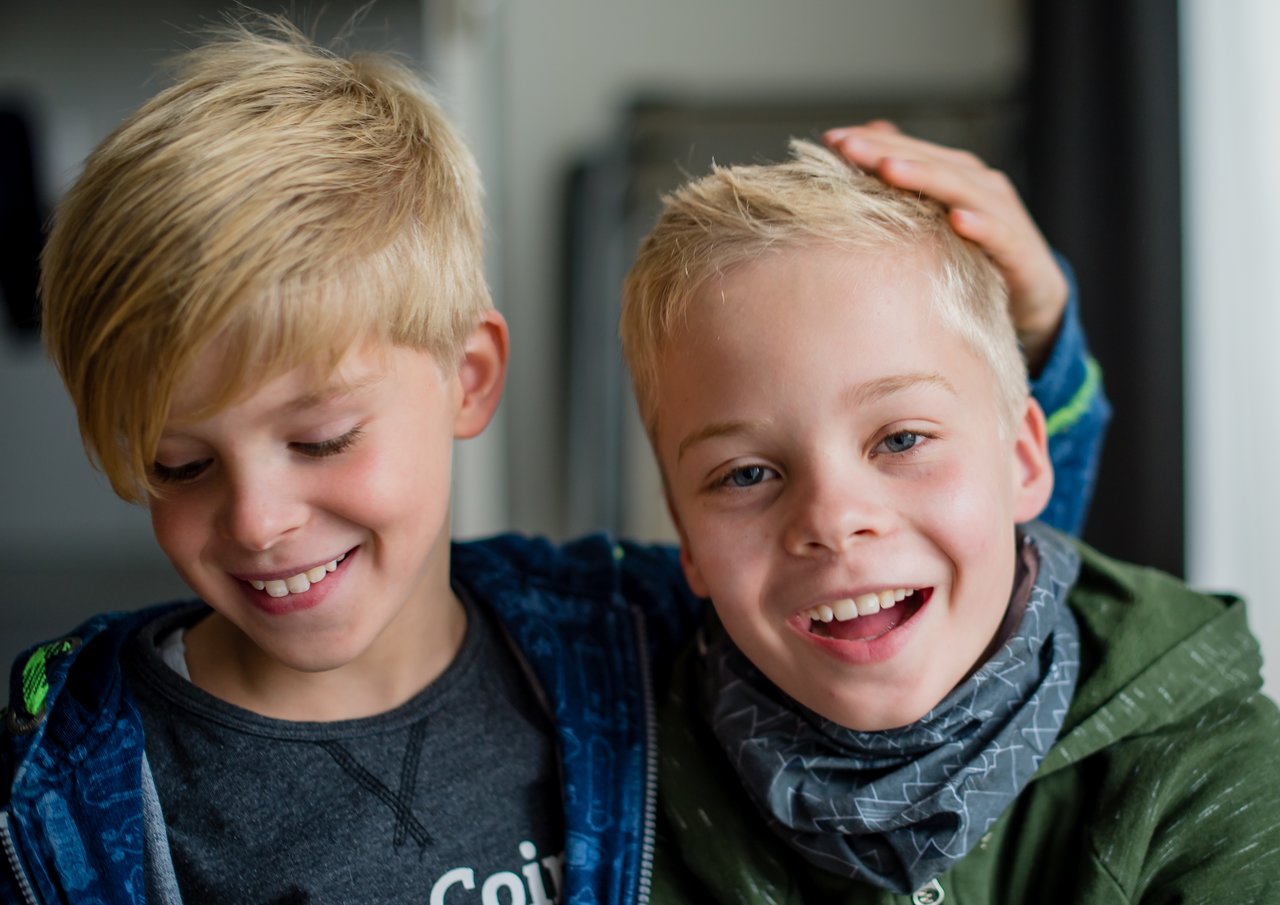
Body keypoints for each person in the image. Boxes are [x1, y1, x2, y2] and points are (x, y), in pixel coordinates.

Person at [0, 17, 1107, 905]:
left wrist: (1041, 336)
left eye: (320, 439)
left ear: (470, 376)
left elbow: (970, 582)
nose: (256, 517)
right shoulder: (70, 789)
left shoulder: (622, 635)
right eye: (181, 465)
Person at [620, 139, 1280, 903]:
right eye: (747, 474)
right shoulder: (619, 786)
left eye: (901, 439)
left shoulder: (1211, 773)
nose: (834, 521)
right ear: (688, 539)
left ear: (1027, 459)